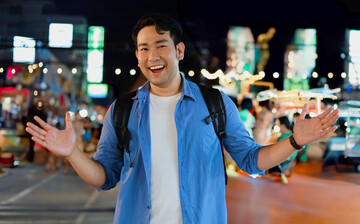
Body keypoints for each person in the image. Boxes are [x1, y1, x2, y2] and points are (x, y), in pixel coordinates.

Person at [25, 13, 339, 224]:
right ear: (137, 56)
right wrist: (73, 153)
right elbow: (105, 177)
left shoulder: (215, 103)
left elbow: (252, 160)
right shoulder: (121, 110)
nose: (152, 56)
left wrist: (296, 140)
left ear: (179, 51)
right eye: (143, 48)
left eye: (161, 46)